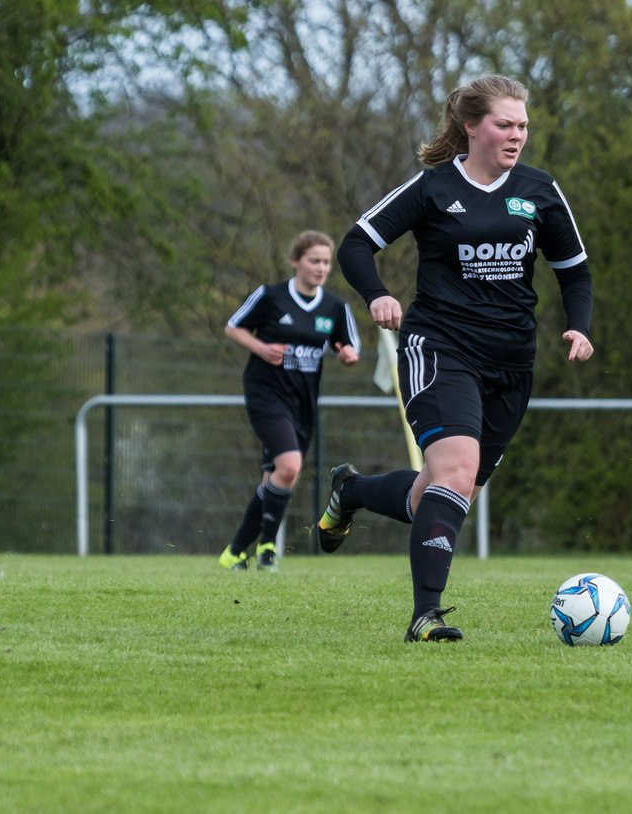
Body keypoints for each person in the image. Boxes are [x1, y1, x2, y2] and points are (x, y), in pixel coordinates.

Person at [313, 75, 595, 643]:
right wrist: (377, 294)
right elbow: (355, 243)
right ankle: (425, 615)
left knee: (441, 494)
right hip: (439, 349)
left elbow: (575, 270)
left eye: (523, 126)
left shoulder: (540, 190)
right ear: (472, 126)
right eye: (504, 124)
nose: (516, 135)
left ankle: (353, 491)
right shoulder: (434, 188)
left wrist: (579, 328)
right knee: (456, 471)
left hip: (511, 363)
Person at [218, 230, 361, 571]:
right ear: (296, 261)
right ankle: (264, 546)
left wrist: (347, 355)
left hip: (303, 403)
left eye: (326, 262)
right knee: (289, 466)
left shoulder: (335, 307)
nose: (321, 268)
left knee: (279, 477)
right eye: (314, 260)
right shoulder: (271, 296)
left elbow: (350, 345)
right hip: (266, 395)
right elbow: (233, 326)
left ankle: (239, 550)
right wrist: (261, 348)